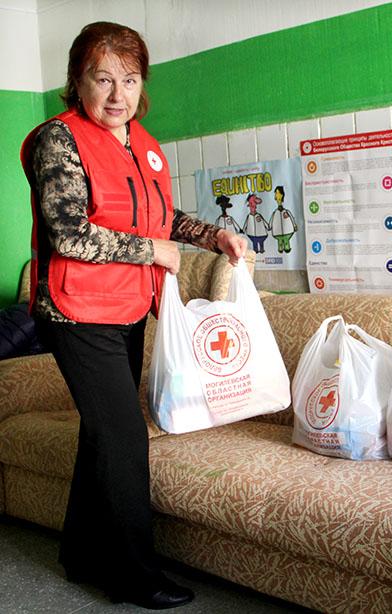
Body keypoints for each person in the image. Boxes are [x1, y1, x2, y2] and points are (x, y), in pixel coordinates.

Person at [19, 22, 248, 610]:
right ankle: (133, 575)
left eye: (129, 79)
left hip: (126, 309)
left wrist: (213, 236)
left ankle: (81, 554)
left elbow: (161, 217)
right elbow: (68, 233)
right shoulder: (58, 139)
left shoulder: (141, 143)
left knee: (103, 434)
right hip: (74, 311)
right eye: (102, 79)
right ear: (77, 82)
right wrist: (153, 252)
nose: (117, 93)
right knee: (123, 437)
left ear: (142, 83)